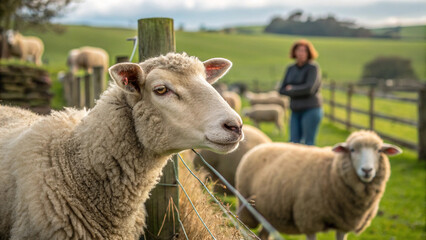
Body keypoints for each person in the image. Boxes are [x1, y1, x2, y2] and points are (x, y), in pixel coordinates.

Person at [279, 39, 322, 145]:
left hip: (311, 109)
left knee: (308, 142)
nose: (301, 53)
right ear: (294, 52)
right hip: (295, 110)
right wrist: (298, 90)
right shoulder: (290, 68)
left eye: (304, 51)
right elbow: (281, 90)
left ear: (308, 53)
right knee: (293, 142)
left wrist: (292, 89)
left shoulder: (313, 68)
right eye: (298, 50)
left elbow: (309, 89)